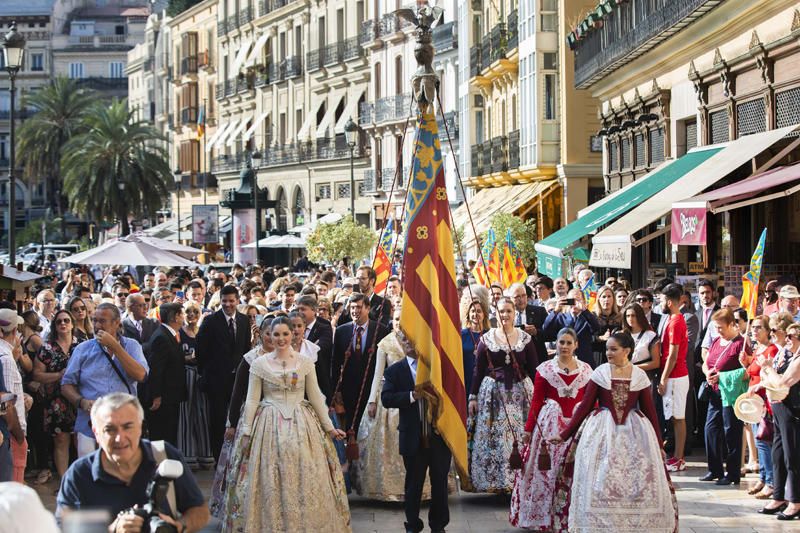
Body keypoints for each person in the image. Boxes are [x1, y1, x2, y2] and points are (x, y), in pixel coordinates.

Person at [220, 317, 349, 532]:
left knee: (304, 470)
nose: (280, 339)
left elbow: (316, 397)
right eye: (276, 334)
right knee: (270, 473)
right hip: (268, 423)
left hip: (302, 422)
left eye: (285, 334)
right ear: (268, 335)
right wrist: (245, 429)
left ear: (293, 334)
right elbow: (252, 399)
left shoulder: (306, 362)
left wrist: (329, 427)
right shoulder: (259, 364)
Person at [549, 332, 678, 532]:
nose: (608, 353)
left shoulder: (639, 376)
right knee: (600, 477)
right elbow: (585, 406)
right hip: (602, 432)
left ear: (626, 351)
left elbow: (650, 412)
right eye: (607, 348)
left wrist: (659, 444)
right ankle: (597, 524)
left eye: (613, 349)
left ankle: (633, 524)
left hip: (635, 433)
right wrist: (565, 434)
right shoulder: (600, 373)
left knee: (635, 478)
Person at [56, 393, 209, 532]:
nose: (120, 438)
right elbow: (64, 528)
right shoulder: (79, 475)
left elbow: (199, 510)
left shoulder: (164, 456)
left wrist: (178, 526)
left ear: (141, 428)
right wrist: (112, 529)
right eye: (110, 429)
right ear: (96, 432)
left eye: (127, 427)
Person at [509, 327, 592, 530]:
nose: (564, 346)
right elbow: (536, 402)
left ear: (576, 345)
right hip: (549, 429)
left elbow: (591, 402)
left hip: (577, 429)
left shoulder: (587, 371)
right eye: (561, 342)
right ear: (556, 344)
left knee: (573, 472)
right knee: (546, 473)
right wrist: (528, 430)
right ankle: (543, 517)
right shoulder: (545, 369)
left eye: (568, 343)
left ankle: (570, 516)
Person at [353, 308, 432, 502]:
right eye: (396, 319)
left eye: (403, 319)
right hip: (391, 399)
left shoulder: (419, 341)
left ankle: (421, 489)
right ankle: (389, 488)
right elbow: (377, 374)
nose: (399, 323)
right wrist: (372, 400)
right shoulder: (385, 343)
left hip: (418, 400)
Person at [382, 327, 451, 533]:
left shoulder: (437, 367)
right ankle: (412, 523)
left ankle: (438, 525)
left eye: (413, 338)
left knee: (440, 483)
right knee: (414, 484)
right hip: (413, 436)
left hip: (439, 436)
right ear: (400, 342)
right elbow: (386, 399)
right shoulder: (395, 370)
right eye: (405, 339)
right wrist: (412, 395)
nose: (409, 342)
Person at [468, 296, 537, 493]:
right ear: (494, 314)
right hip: (493, 394)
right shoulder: (486, 339)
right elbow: (477, 370)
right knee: (496, 437)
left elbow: (534, 369)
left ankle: (520, 480)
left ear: (515, 314)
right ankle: (497, 482)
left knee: (519, 435)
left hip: (521, 394)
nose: (505, 315)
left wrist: (542, 397)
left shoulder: (526, 339)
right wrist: (472, 397)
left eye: (509, 311)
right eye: (501, 311)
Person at [60, 303, 149, 456]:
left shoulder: (132, 346)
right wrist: (81, 401)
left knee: (122, 470)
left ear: (116, 323)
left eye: (102, 321)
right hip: (89, 424)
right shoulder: (83, 349)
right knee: (89, 471)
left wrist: (115, 347)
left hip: (124, 422)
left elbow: (141, 375)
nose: (97, 325)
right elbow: (66, 384)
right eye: (94, 320)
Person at [195, 285, 251, 461]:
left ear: (237, 300)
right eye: (224, 301)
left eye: (231, 301)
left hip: (237, 380)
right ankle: (219, 458)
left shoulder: (243, 320)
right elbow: (201, 351)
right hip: (216, 380)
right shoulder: (210, 321)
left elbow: (245, 349)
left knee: (237, 418)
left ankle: (235, 457)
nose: (227, 304)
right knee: (217, 421)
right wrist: (209, 373)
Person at [752, 322, 800, 520]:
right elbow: (771, 378)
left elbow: (782, 382)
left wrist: (767, 368)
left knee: (792, 456)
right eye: (786, 335)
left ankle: (795, 501)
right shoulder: (786, 355)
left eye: (792, 336)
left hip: (793, 410)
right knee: (777, 454)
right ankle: (779, 496)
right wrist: (762, 380)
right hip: (779, 408)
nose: (787, 339)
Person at [700, 308, 751, 485]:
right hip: (715, 392)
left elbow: (747, 371)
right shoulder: (715, 341)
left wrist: (722, 376)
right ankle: (714, 469)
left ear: (731, 325)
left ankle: (732, 473)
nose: (718, 330)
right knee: (710, 429)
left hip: (731, 393)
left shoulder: (741, 344)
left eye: (721, 327)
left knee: (732, 432)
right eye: (716, 327)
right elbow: (707, 363)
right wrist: (708, 373)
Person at [331, 293, 389, 434]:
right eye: (352, 308)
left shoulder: (380, 330)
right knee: (352, 427)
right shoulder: (341, 331)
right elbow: (335, 363)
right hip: (348, 389)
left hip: (371, 388)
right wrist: (336, 391)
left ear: (368, 308)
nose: (355, 311)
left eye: (358, 307)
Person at [32, 310, 79, 479]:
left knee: (81, 441)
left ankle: (82, 482)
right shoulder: (47, 348)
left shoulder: (82, 345)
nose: (63, 324)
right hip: (57, 401)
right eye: (59, 322)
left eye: (66, 320)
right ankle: (65, 482)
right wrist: (59, 375)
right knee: (61, 441)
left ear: (72, 323)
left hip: (80, 399)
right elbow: (37, 375)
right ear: (54, 326)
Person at [742, 314, 778, 499]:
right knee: (759, 440)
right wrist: (746, 362)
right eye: (753, 327)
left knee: (764, 442)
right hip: (754, 402)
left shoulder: (771, 350)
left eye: (758, 328)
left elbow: (767, 375)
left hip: (764, 401)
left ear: (767, 331)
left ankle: (770, 480)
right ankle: (763, 477)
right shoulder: (758, 349)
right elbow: (751, 372)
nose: (754, 331)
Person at [658, 283, 691, 472]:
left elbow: (673, 354)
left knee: (678, 416)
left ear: (669, 302)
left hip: (676, 375)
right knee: (675, 416)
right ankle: (677, 457)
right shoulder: (673, 319)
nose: (660, 303)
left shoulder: (676, 321)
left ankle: (679, 457)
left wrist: (663, 378)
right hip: (675, 374)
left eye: (662, 300)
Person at [178, 301, 213, 469]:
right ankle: (188, 454)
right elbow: (176, 356)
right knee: (186, 416)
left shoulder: (203, 332)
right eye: (188, 311)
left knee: (203, 415)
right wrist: (186, 359)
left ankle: (205, 455)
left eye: (195, 311)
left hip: (201, 377)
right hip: (185, 377)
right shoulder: (179, 333)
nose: (191, 314)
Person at [146, 303, 187, 446]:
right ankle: (161, 466)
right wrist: (156, 396)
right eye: (182, 314)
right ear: (175, 317)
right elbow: (156, 369)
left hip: (172, 396)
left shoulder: (171, 334)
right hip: (164, 398)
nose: (184, 317)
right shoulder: (161, 337)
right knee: (162, 436)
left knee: (170, 434)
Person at [0, 309, 27, 482]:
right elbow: (6, 404)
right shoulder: (5, 358)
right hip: (8, 436)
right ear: (15, 330)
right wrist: (19, 436)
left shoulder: (7, 356)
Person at [543, 289, 600, 368]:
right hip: (563, 360)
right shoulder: (561, 317)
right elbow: (546, 329)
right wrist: (555, 311)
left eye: (578, 300)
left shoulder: (588, 316)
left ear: (584, 301)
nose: (574, 303)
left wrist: (584, 310)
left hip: (584, 360)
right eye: (572, 300)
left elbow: (596, 329)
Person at [296, 295, 333, 400]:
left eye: (303, 309)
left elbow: (318, 349)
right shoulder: (291, 327)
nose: (299, 312)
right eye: (297, 309)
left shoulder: (324, 327)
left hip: (317, 381)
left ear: (314, 310)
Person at [461, 286, 490, 400]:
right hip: (466, 379)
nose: (476, 314)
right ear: (468, 314)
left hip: (485, 380)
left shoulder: (490, 335)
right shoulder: (461, 335)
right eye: (473, 311)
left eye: (479, 311)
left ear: (484, 315)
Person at [508, 283, 548, 365]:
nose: (521, 299)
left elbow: (550, 334)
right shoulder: (505, 315)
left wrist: (536, 332)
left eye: (523, 295)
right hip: (514, 360)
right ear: (510, 298)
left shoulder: (539, 311)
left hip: (537, 358)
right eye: (517, 297)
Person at [591, 285, 622, 367]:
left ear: (613, 299)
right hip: (598, 355)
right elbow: (586, 337)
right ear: (599, 299)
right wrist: (600, 338)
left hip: (616, 357)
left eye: (609, 296)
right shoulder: (592, 316)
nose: (606, 299)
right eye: (603, 297)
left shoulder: (620, 316)